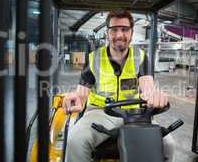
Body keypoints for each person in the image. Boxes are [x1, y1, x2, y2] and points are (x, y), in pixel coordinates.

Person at [62, 10, 174, 162]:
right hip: (100, 113)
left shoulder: (140, 57)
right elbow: (82, 93)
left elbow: (147, 88)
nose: (120, 35)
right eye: (114, 30)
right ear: (107, 33)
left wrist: (155, 96)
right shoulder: (94, 58)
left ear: (132, 32)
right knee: (76, 140)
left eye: (125, 29)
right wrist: (76, 98)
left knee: (167, 143)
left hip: (135, 114)